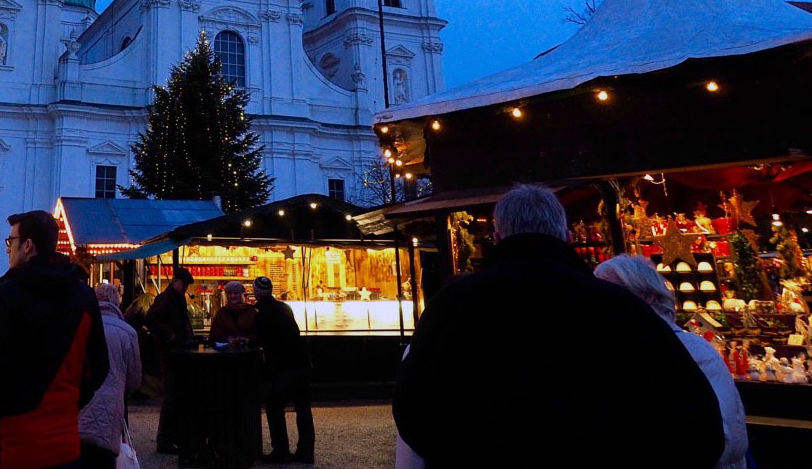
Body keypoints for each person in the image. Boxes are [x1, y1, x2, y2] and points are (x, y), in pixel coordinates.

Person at [393, 184, 725, 469]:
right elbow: (697, 425)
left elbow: (413, 411)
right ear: (566, 237)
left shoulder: (453, 306)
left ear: (497, 238)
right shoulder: (621, 308)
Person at [0, 210, 109, 468]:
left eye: (11, 241)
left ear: (28, 245)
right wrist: (71, 402)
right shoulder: (84, 296)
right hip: (64, 443)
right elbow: (99, 366)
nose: (8, 249)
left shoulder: (7, 294)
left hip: (13, 443)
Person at [595, 254, 748, 469]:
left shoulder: (694, 352)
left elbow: (727, 440)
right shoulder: (614, 351)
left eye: (611, 291)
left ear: (645, 296)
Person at [79, 283, 142, 469]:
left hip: (81, 400)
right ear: (117, 302)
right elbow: (134, 380)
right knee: (104, 456)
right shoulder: (127, 332)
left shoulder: (81, 325)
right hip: (112, 404)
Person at [252, 276, 314, 463]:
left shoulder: (260, 313)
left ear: (256, 291)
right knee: (303, 408)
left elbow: (260, 339)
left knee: (274, 407)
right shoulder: (284, 307)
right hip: (302, 362)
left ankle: (281, 450)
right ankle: (306, 452)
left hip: (283, 366)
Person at [146, 266, 195, 455]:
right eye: (184, 285)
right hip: (172, 353)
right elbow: (151, 319)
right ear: (175, 281)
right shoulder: (167, 299)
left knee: (175, 397)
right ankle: (166, 439)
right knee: (172, 397)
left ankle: (171, 437)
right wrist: (170, 336)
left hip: (175, 351)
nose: (185, 289)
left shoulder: (173, 297)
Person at [208, 281, 257, 345]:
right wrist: (227, 340)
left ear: (242, 294)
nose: (232, 296)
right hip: (227, 352)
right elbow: (214, 335)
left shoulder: (251, 311)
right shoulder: (221, 313)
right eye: (230, 293)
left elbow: (258, 333)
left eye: (236, 293)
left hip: (248, 352)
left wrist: (247, 340)